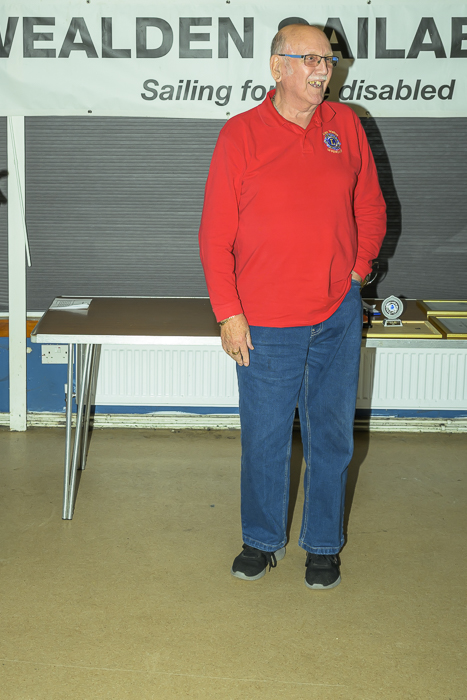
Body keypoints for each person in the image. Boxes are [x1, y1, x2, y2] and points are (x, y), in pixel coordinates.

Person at [198, 24, 386, 589]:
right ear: (278, 67)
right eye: (309, 59)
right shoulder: (240, 134)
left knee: (331, 437)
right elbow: (214, 236)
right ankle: (260, 540)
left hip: (335, 315)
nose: (323, 69)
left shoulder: (345, 125)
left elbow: (371, 207)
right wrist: (228, 314)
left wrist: (358, 271)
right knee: (265, 439)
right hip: (265, 322)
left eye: (327, 60)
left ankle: (323, 544)